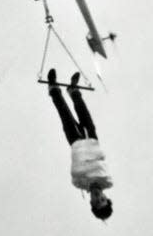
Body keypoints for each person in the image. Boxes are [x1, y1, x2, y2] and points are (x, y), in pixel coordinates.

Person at [47, 68, 113, 220]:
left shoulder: (79, 182)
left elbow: (77, 166)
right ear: (105, 197)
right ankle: (73, 90)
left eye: (96, 202)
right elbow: (101, 160)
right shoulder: (106, 179)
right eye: (102, 199)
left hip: (77, 144)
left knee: (65, 114)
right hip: (91, 142)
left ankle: (54, 89)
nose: (98, 198)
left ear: (91, 202)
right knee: (85, 116)